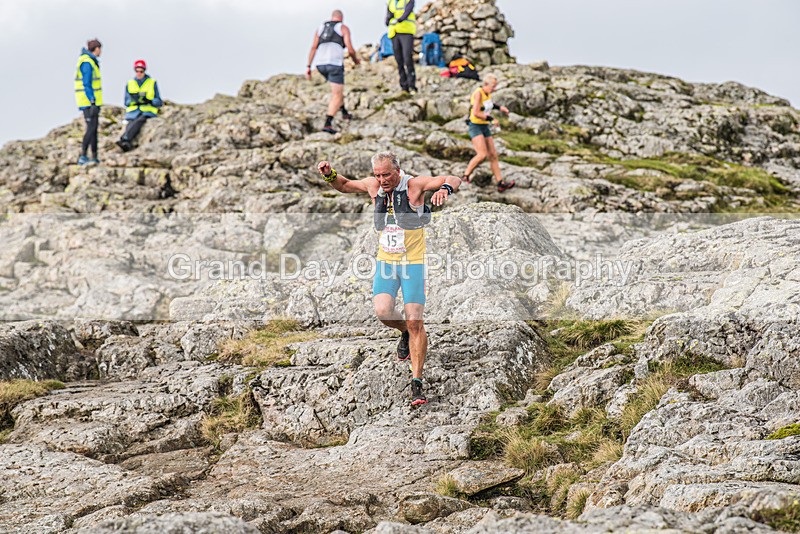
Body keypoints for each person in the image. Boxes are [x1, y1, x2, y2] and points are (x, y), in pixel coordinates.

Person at [317, 152, 461, 406]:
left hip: (412, 263)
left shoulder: (415, 185)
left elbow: (454, 177)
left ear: (398, 171)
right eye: (377, 175)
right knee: (383, 312)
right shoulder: (374, 186)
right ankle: (403, 331)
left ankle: (416, 383)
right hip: (387, 262)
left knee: (416, 321)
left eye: (386, 174)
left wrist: (446, 189)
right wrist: (329, 173)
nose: (382, 180)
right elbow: (344, 185)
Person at [306, 10, 360, 134]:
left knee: (336, 89)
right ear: (341, 18)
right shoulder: (343, 27)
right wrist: (355, 60)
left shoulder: (320, 28)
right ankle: (328, 123)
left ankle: (344, 112)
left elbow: (313, 47)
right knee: (337, 94)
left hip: (320, 64)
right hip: (334, 63)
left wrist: (308, 66)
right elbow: (350, 48)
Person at [463, 74, 515, 192]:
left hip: (484, 126)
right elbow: (476, 112)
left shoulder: (488, 94)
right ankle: (465, 176)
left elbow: (489, 105)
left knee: (493, 155)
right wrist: (491, 119)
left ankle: (500, 183)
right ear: (486, 84)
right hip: (475, 125)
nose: (494, 89)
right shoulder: (478, 93)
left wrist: (500, 108)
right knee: (482, 154)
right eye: (493, 86)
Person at [117, 60, 163, 152]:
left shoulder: (152, 82)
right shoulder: (130, 83)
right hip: (133, 112)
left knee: (139, 121)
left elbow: (159, 102)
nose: (139, 73)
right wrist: (135, 101)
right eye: (137, 71)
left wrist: (149, 101)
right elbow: (126, 101)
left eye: (141, 71)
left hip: (147, 111)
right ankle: (126, 142)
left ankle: (125, 139)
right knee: (131, 123)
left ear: (144, 71)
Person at [74, 39, 102, 165]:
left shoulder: (91, 61)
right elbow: (87, 83)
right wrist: (92, 100)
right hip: (88, 101)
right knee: (91, 128)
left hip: (93, 101)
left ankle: (94, 155)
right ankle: (83, 155)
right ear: (96, 49)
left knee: (94, 128)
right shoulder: (87, 62)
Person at [385, 0, 417, 94]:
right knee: (399, 60)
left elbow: (408, 11)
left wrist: (399, 19)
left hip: (406, 31)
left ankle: (412, 85)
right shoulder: (390, 2)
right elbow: (388, 15)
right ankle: (404, 86)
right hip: (394, 32)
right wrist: (388, 20)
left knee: (407, 58)